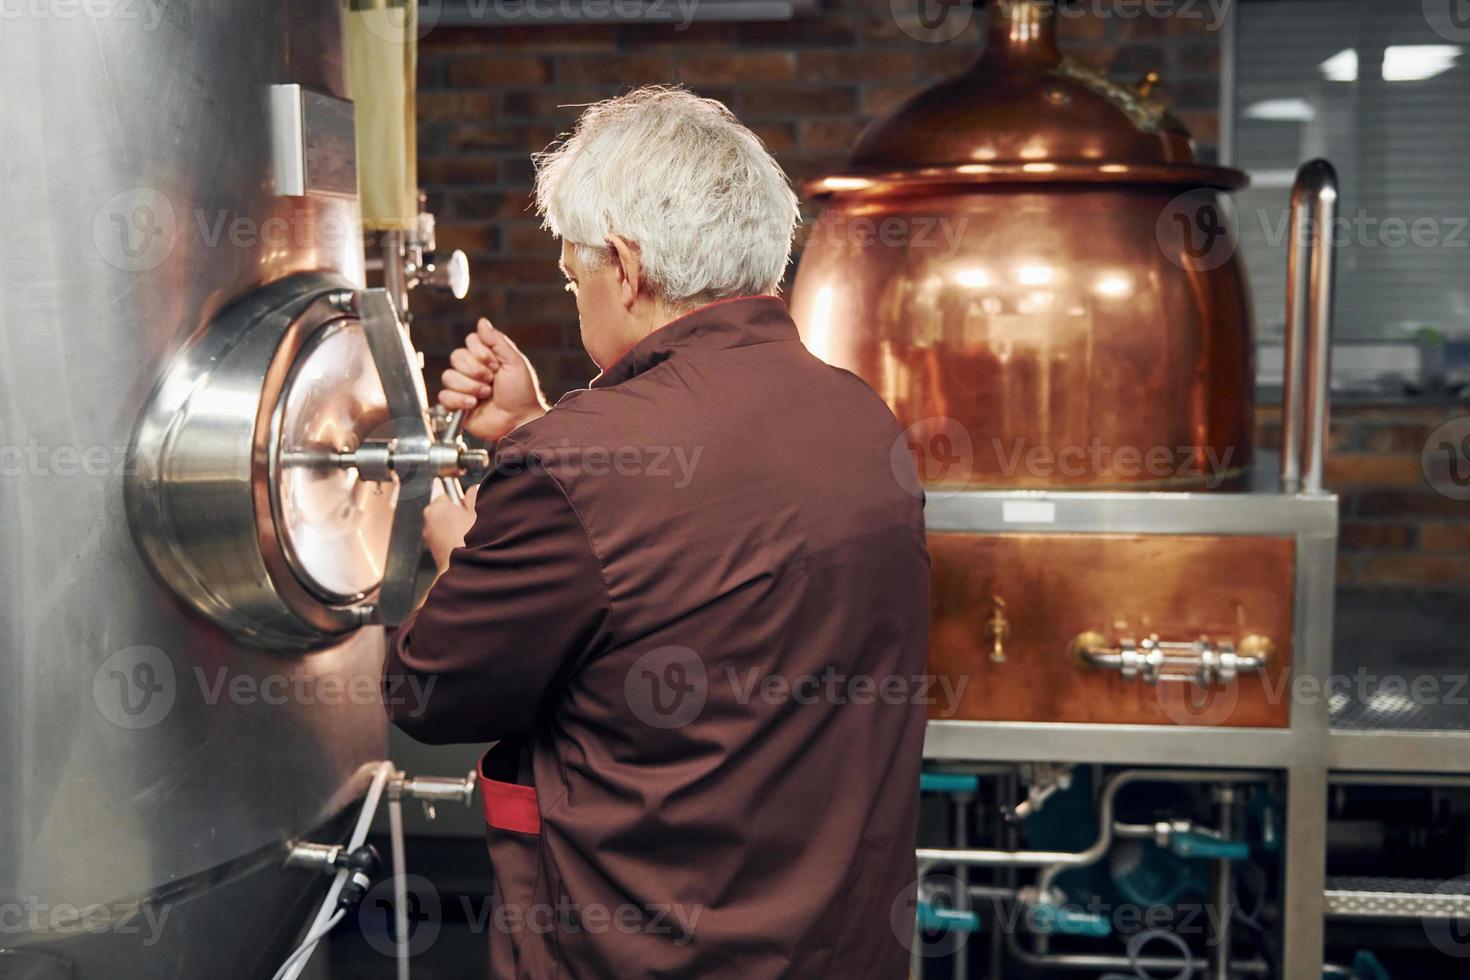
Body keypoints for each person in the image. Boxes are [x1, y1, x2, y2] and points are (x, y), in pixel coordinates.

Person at [384, 85, 931, 979]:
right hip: (839, 947)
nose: (575, 300)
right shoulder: (859, 417)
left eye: (574, 277)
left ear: (628, 268)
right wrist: (535, 432)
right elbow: (680, 552)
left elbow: (430, 693)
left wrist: (462, 543)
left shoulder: (578, 465)